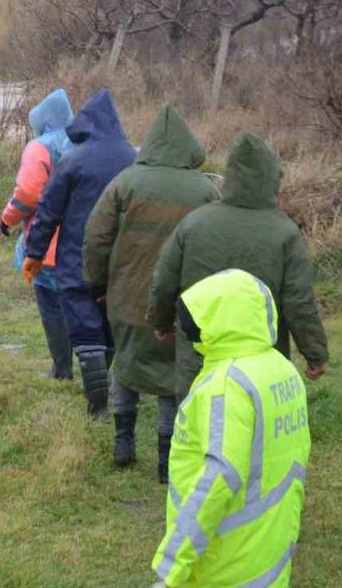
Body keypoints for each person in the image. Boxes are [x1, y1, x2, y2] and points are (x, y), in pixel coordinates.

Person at [149, 269, 312, 588]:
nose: (185, 325)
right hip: (269, 547)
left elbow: (219, 479)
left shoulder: (226, 386)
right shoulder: (281, 369)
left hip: (224, 562)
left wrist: (172, 566)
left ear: (218, 320)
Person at [82, 106, 216, 477]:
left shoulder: (124, 183)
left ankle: (123, 443)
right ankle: (166, 459)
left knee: (125, 365)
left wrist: (98, 283)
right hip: (182, 304)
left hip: (125, 297)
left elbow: (95, 238)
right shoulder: (205, 189)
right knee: (172, 376)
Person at [148, 132, 329, 401]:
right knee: (256, 423)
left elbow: (164, 281)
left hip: (201, 362)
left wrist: (161, 322)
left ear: (229, 177)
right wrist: (314, 352)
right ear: (272, 179)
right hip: (262, 369)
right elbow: (299, 302)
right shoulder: (285, 233)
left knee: (197, 420)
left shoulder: (193, 224)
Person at [23, 89, 136, 417]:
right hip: (120, 259)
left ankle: (97, 406)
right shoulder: (133, 159)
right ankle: (108, 393)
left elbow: (48, 211)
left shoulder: (73, 160)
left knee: (86, 328)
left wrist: (34, 253)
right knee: (109, 324)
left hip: (77, 255)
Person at [0, 88, 76, 380]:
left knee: (51, 304)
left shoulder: (40, 147)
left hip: (47, 245)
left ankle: (61, 369)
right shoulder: (82, 142)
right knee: (80, 304)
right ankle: (95, 369)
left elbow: (28, 194)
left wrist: (7, 219)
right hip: (83, 242)